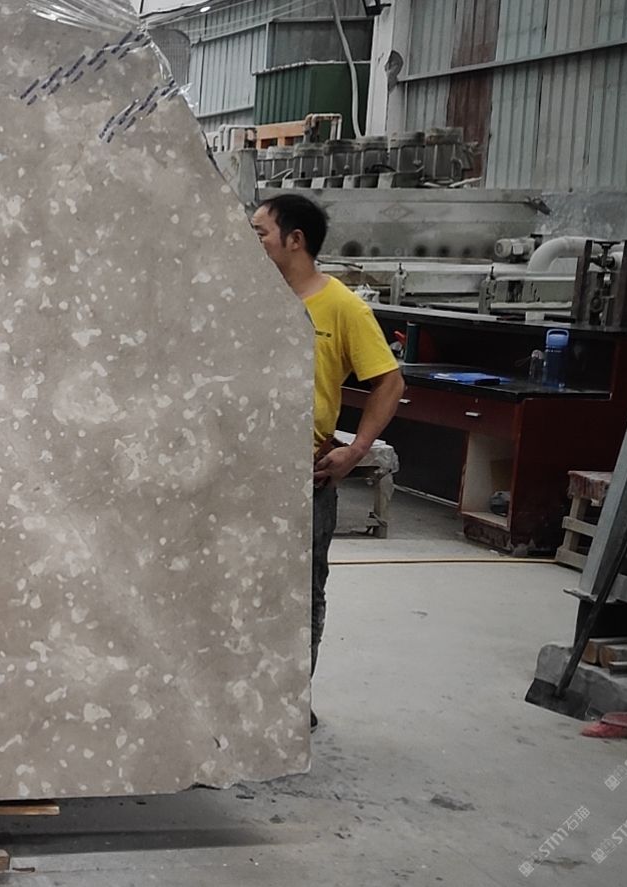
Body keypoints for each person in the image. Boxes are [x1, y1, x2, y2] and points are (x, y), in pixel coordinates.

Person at [250, 193, 404, 729]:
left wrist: (355, 450)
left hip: (304, 475)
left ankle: (290, 707)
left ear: (295, 240)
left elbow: (389, 382)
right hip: (242, 472)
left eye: (259, 233)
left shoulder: (342, 307)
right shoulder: (247, 298)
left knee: (299, 593)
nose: (251, 242)